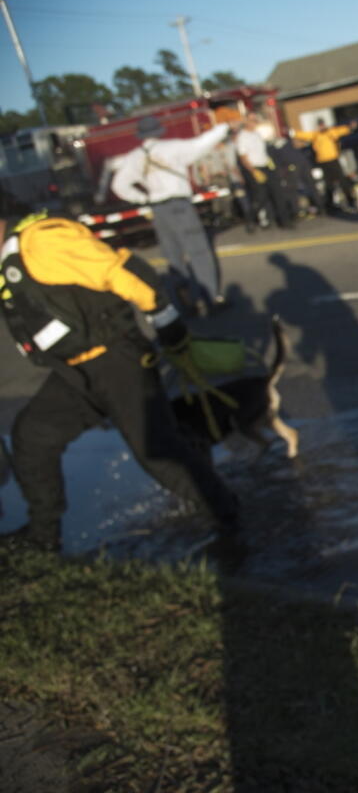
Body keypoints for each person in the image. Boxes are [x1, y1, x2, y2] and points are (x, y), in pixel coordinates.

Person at [0, 195, 238, 553]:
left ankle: (231, 520)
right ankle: (43, 538)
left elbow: (125, 271)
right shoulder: (11, 252)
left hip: (117, 361)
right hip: (78, 370)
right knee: (33, 436)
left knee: (157, 453)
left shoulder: (43, 239)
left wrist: (166, 322)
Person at [111, 114, 230, 316]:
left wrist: (143, 198)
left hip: (158, 209)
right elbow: (200, 145)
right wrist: (223, 127)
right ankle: (211, 298)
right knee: (198, 252)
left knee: (173, 258)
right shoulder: (171, 148)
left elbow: (119, 185)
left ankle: (185, 304)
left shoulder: (134, 157)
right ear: (158, 131)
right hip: (179, 205)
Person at [235, 112, 294, 231]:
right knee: (260, 197)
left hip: (266, 167)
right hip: (254, 169)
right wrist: (253, 171)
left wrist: (270, 164)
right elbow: (243, 157)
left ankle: (284, 221)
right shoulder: (242, 137)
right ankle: (250, 220)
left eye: (255, 120)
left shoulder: (257, 134)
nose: (254, 123)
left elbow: (263, 152)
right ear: (246, 121)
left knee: (278, 193)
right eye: (252, 120)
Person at [293, 119, 357, 213]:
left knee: (342, 181)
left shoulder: (331, 132)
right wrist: (293, 133)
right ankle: (330, 205)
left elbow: (342, 130)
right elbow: (304, 135)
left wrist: (350, 127)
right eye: (319, 125)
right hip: (323, 162)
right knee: (328, 184)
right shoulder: (315, 135)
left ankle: (351, 201)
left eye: (322, 125)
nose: (321, 127)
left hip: (333, 160)